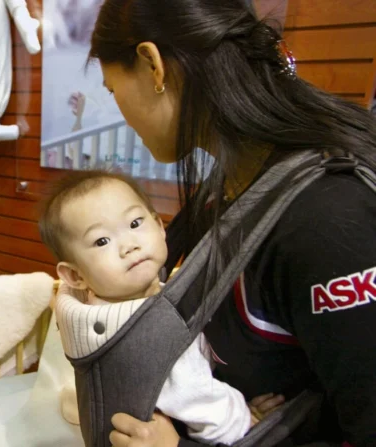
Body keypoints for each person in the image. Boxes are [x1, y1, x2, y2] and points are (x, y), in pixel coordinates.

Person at [85, 0, 376, 445]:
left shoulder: (329, 217)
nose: (118, 107)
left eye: (111, 90)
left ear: (152, 66)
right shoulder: (231, 189)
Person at [40, 170, 282, 445]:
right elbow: (196, 398)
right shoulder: (146, 332)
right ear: (75, 276)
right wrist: (242, 420)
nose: (129, 246)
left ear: (158, 225)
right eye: (101, 241)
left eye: (134, 223)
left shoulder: (110, 308)